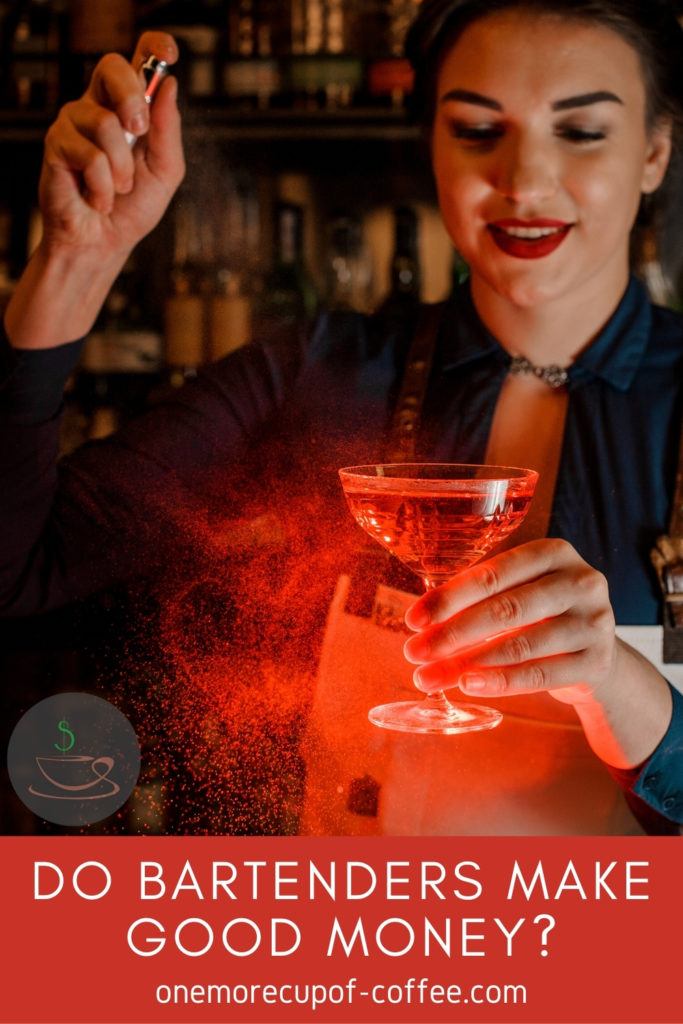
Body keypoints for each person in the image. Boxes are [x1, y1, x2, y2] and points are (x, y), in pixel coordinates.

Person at [1, 0, 682, 834]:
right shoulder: (312, 371)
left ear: (653, 152)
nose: (526, 181)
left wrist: (621, 684)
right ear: (428, 143)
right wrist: (75, 259)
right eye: (475, 130)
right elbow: (21, 576)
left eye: (579, 133)